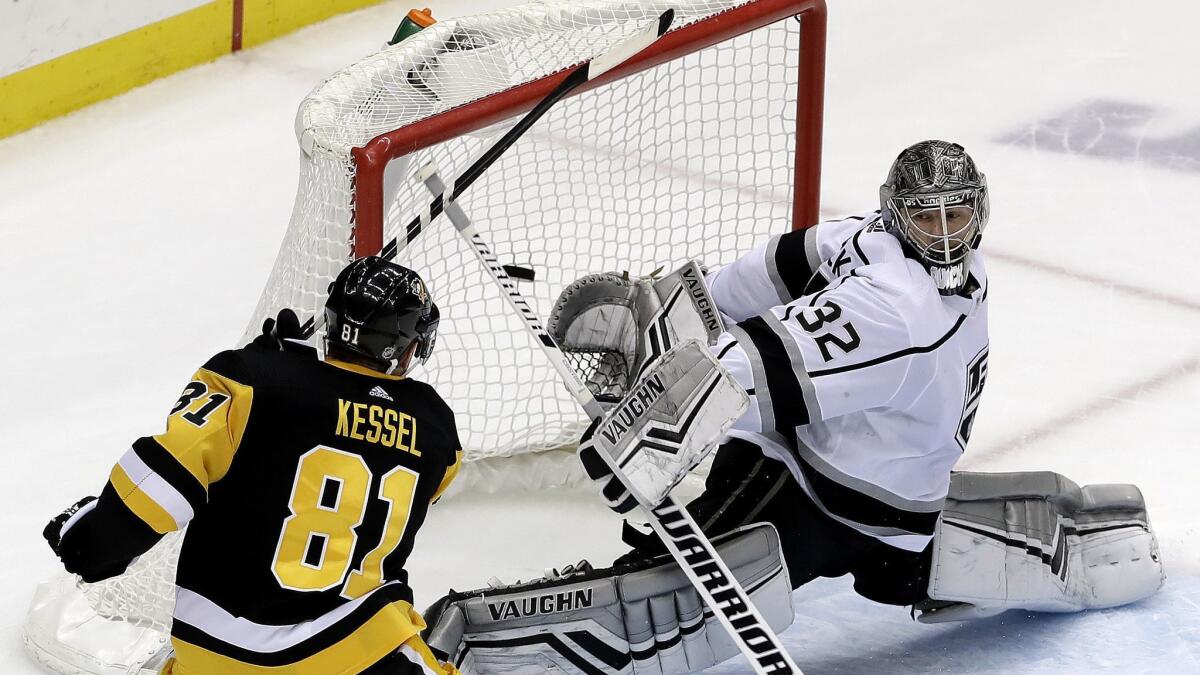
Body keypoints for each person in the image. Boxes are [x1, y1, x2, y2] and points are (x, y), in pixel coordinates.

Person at [420, 140, 1162, 673]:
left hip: (808, 495)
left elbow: (749, 368)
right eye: (928, 217)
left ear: (980, 210)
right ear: (896, 216)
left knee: (660, 590)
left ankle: (490, 643)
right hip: (902, 508)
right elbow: (775, 271)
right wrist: (679, 313)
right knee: (929, 549)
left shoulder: (899, 307)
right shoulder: (875, 245)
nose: (946, 233)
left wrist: (652, 425)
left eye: (957, 215)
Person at [43, 257, 463, 675]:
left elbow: (162, 484)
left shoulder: (249, 382)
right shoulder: (437, 431)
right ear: (405, 346)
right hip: (352, 654)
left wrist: (90, 544)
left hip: (213, 650)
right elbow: (373, 461)